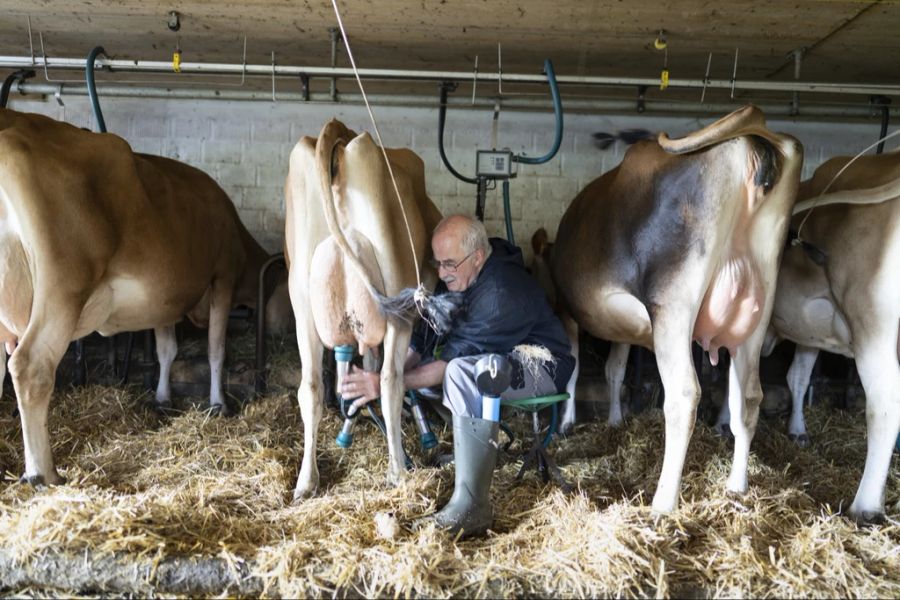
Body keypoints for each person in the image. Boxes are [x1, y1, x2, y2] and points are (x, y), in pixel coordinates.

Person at [341, 214, 575, 536]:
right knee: (459, 371)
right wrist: (392, 368)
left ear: (477, 256)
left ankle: (470, 504)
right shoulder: (462, 272)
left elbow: (449, 363)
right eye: (437, 263)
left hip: (542, 365)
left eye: (448, 264)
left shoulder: (499, 293)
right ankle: (471, 462)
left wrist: (386, 385)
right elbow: (427, 337)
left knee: (462, 373)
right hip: (499, 358)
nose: (441, 273)